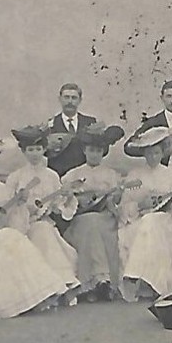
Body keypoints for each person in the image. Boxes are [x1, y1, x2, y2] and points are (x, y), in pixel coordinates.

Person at [0, 138, 78, 317]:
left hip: (0, 233)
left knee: (15, 238)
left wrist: (18, 204)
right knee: (11, 238)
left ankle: (35, 296)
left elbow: (8, 215)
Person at [117, 126, 172, 302]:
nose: (152, 157)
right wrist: (140, 205)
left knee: (153, 222)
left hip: (166, 221)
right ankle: (145, 279)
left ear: (162, 153)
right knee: (147, 224)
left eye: (156, 152)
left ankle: (145, 278)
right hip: (138, 221)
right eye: (149, 153)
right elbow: (125, 206)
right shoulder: (135, 174)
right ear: (143, 154)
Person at [5, 125, 82, 305]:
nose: (35, 153)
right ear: (23, 151)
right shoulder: (15, 177)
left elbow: (58, 204)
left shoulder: (52, 176)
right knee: (42, 232)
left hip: (44, 224)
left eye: (38, 149)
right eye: (30, 150)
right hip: (21, 226)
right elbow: (5, 205)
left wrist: (65, 201)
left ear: (44, 150)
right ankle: (56, 285)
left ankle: (60, 283)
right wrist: (21, 204)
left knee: (45, 231)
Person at [61, 124, 127, 302]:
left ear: (103, 152)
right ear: (84, 150)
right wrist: (76, 200)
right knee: (90, 223)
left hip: (105, 217)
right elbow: (64, 201)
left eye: (98, 151)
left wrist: (115, 197)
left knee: (102, 227)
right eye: (91, 150)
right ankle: (93, 282)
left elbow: (115, 202)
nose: (94, 154)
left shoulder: (111, 174)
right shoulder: (73, 174)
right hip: (81, 219)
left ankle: (107, 282)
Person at [46, 83, 98, 177]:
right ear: (60, 99)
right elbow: (46, 153)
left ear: (80, 100)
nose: (70, 101)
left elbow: (99, 150)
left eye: (74, 98)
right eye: (66, 97)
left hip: (85, 176)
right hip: (59, 176)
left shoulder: (90, 122)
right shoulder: (50, 125)